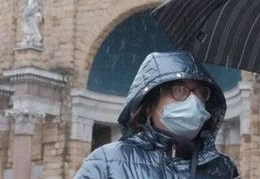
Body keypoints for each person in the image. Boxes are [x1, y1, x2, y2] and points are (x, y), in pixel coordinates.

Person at [74, 51, 238, 178]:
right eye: (179, 91)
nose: (194, 102)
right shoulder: (107, 162)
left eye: (201, 93)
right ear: (149, 105)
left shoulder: (222, 169)